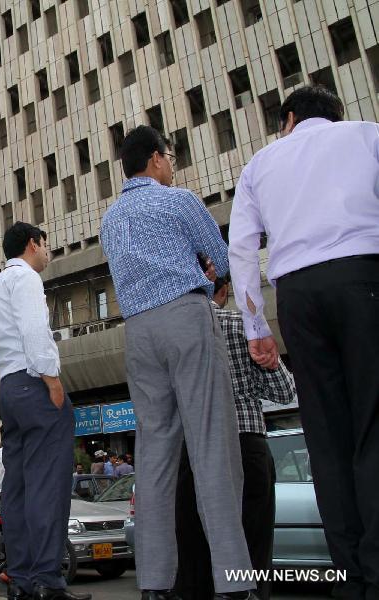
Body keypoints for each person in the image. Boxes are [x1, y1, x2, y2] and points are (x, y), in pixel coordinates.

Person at [229, 85, 379, 599]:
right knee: (372, 426)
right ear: (336, 115)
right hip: (365, 276)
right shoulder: (367, 136)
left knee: (326, 435)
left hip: (298, 296)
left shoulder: (260, 164)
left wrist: (258, 328)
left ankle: (350, 577)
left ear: (288, 118)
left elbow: (242, 250)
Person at [100, 125, 254, 600]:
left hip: (138, 331)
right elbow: (221, 257)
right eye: (169, 155)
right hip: (185, 316)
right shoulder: (178, 199)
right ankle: (232, 580)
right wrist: (214, 279)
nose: (173, 164)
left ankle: (153, 583)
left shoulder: (110, 218)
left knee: (153, 456)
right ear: (154, 160)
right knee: (211, 443)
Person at [0, 222, 89, 600]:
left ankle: (23, 580)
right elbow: (33, 329)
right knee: (49, 486)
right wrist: (52, 378)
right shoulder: (25, 278)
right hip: (35, 382)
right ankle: (49, 579)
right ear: (32, 244)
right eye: (46, 245)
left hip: (8, 386)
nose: (48, 252)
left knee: (17, 487)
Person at [175, 275, 296, 600]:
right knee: (253, 543)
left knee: (195, 544)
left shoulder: (178, 334)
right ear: (223, 290)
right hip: (247, 443)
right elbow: (285, 392)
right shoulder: (244, 326)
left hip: (196, 448)